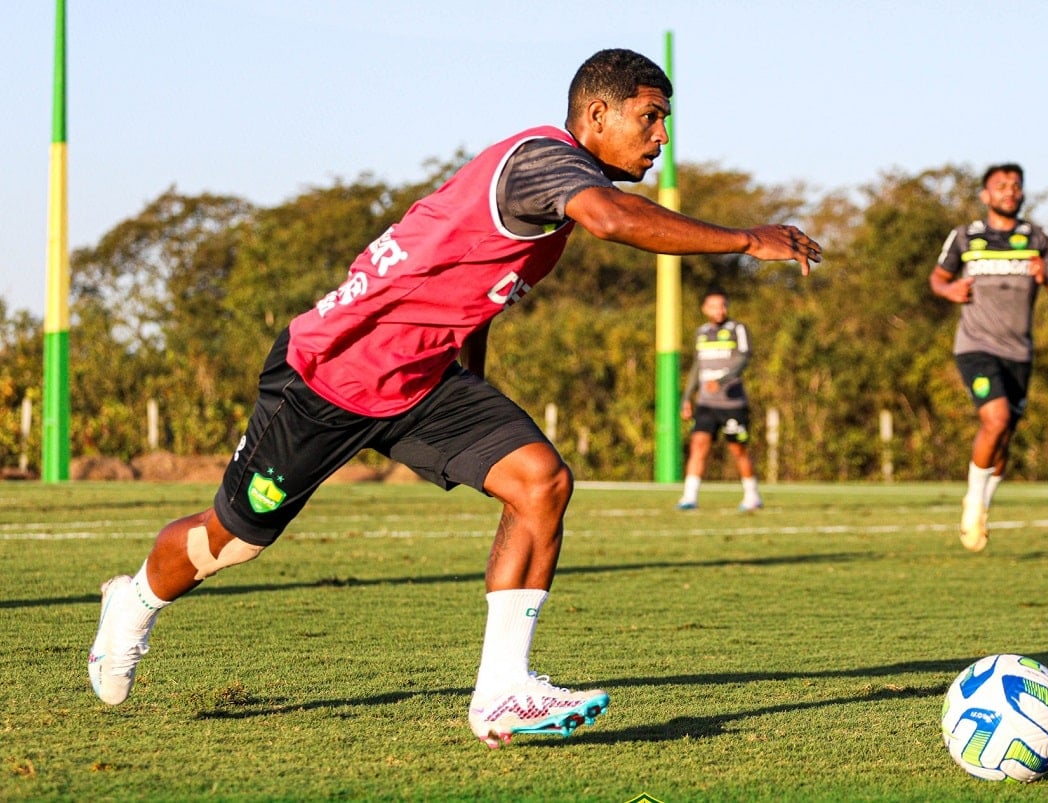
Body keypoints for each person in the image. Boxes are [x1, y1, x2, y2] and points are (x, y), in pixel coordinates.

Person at [86, 48, 822, 749]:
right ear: (596, 115)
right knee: (232, 541)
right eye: (649, 117)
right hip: (328, 374)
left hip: (424, 381)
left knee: (541, 479)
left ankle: (502, 688)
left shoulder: (555, 197)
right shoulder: (543, 161)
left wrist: (471, 384)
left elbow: (473, 298)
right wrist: (745, 239)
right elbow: (614, 220)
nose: (660, 137)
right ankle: (135, 601)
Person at [929, 163, 1048, 552]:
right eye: (1001, 185)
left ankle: (983, 505)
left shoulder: (1040, 237)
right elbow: (937, 278)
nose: (1010, 191)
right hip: (975, 345)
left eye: (1016, 185)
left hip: (1019, 351)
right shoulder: (965, 236)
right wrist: (949, 291)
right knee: (995, 419)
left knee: (1005, 438)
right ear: (985, 195)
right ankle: (973, 502)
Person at [676, 288, 763, 512]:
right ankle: (689, 497)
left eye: (723, 305)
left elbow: (744, 358)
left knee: (737, 449)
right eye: (714, 306)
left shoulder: (738, 329)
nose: (720, 310)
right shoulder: (701, 332)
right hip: (706, 403)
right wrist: (687, 398)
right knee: (698, 445)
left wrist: (723, 379)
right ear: (705, 309)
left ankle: (752, 495)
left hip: (732, 403)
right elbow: (697, 367)